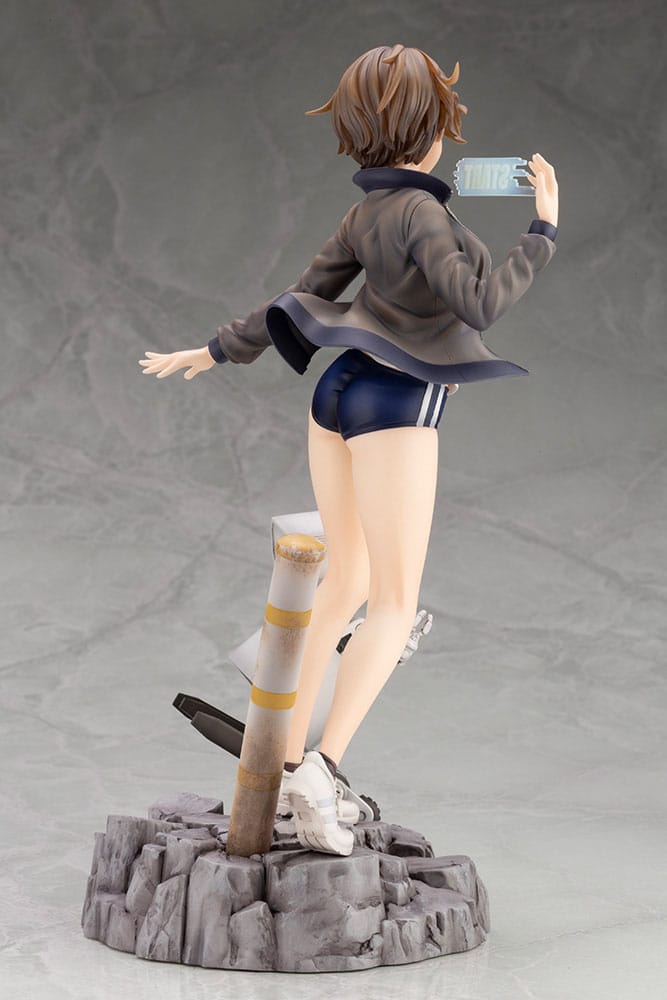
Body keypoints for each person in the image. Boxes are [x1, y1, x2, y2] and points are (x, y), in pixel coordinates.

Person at [139, 44, 559, 857]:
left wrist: (217, 348)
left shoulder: (365, 214)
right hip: (396, 404)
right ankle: (319, 770)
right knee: (394, 603)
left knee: (345, 581)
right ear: (431, 130)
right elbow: (479, 302)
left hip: (335, 393)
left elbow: (302, 295)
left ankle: (279, 749)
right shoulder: (422, 215)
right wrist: (540, 229)